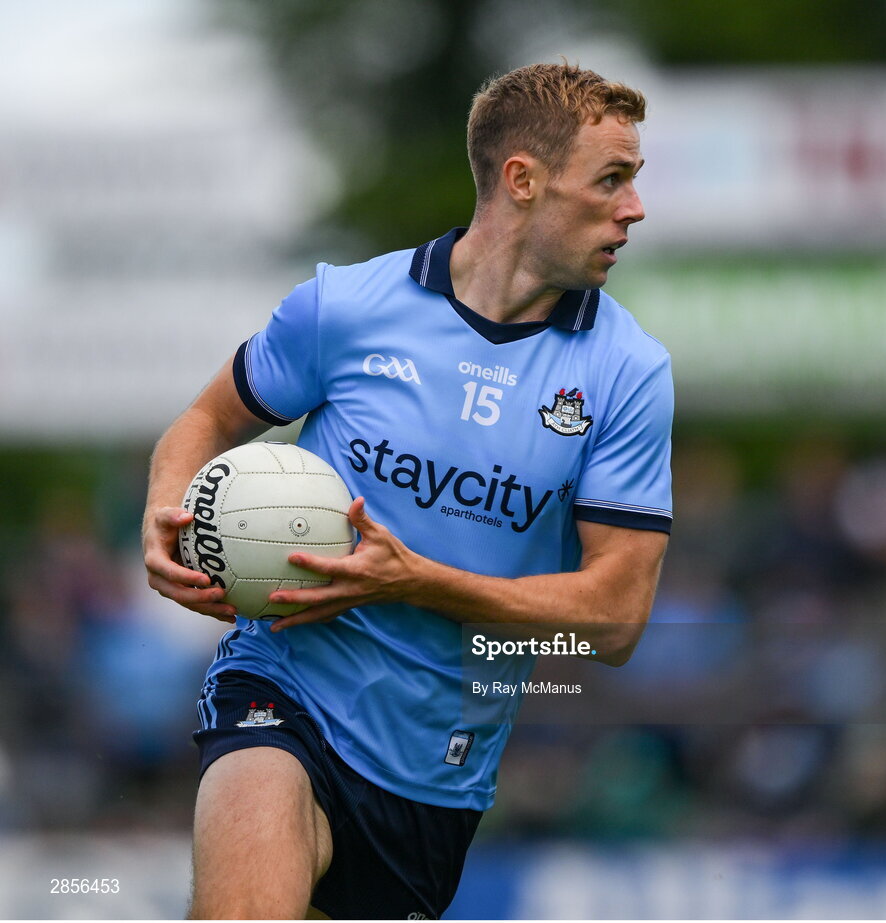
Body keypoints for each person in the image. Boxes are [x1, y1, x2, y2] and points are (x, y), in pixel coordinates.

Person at [142, 61, 672, 920]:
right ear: (523, 180)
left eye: (634, 182)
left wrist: (416, 579)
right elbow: (202, 424)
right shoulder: (345, 307)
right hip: (284, 686)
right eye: (611, 180)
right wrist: (164, 518)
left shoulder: (627, 373)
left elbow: (615, 618)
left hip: (436, 772)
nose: (633, 208)